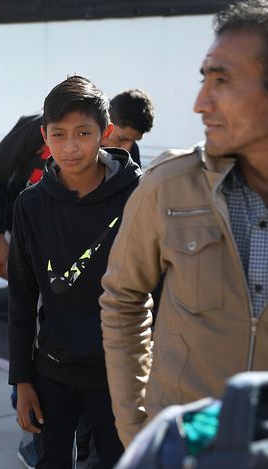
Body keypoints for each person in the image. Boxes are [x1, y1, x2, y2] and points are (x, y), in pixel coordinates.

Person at [100, 0, 268, 447]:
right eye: (203, 79)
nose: (200, 103)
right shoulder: (169, 184)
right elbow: (122, 299)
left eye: (222, 80)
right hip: (185, 448)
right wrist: (138, 428)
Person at [8, 76, 141, 469]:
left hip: (120, 374)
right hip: (53, 371)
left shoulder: (139, 196)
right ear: (44, 135)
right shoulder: (31, 205)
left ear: (106, 133)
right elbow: (21, 296)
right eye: (58, 134)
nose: (70, 147)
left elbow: (159, 288)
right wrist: (23, 380)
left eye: (83, 133)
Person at [0, 89, 153, 280]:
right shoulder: (44, 128)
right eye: (122, 139)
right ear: (107, 125)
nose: (127, 147)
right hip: (26, 236)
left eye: (133, 141)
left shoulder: (126, 157)